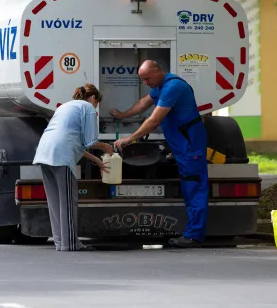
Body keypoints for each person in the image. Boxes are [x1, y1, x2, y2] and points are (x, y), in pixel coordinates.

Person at [110, 60, 208, 248]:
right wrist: (123, 115)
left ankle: (194, 235)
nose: (145, 82)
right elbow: (143, 103)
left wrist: (128, 139)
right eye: (142, 79)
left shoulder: (174, 87)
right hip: (182, 145)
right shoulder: (161, 85)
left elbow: (154, 120)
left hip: (190, 146)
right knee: (190, 187)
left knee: (194, 188)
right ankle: (193, 232)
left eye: (146, 78)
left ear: (157, 71)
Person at [33, 84, 114, 251]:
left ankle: (60, 242)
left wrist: (97, 161)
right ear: (93, 98)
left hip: (44, 152)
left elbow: (75, 143)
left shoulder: (65, 106)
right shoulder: (88, 108)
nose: (96, 107)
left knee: (55, 202)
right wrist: (105, 147)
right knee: (68, 202)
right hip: (61, 156)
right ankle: (70, 243)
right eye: (97, 103)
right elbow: (90, 142)